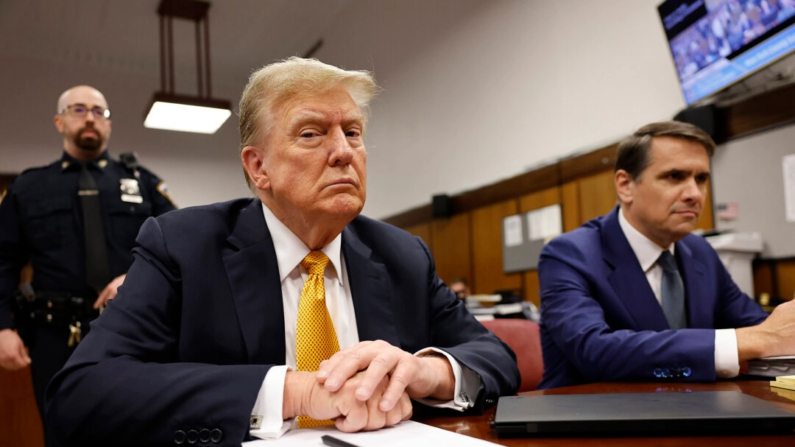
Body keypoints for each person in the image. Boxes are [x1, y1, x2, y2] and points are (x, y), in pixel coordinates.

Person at [45, 58, 520, 446]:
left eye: (353, 133)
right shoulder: (183, 246)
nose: (343, 152)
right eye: (311, 134)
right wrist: (295, 392)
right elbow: (82, 393)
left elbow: (494, 356)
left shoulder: (401, 254)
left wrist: (424, 372)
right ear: (258, 167)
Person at [537, 121, 795, 389]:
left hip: (695, 410)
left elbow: (761, 326)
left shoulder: (700, 251)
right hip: (587, 419)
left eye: (701, 179)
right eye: (675, 176)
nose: (694, 194)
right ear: (625, 185)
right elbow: (594, 350)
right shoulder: (568, 254)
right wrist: (754, 340)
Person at [0, 85, 176, 444]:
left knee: (138, 429)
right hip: (54, 335)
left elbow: (177, 248)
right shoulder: (29, 187)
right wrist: (2, 327)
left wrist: (134, 276)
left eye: (100, 111)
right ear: (59, 121)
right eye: (79, 110)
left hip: (132, 328)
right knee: (63, 432)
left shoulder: (142, 182)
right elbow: (2, 262)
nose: (91, 118)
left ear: (109, 125)